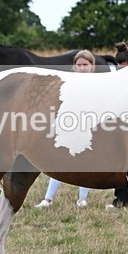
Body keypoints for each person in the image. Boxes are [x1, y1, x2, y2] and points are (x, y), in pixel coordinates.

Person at [35, 50, 95, 208]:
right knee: (60, 163)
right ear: (74, 67)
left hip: (88, 128)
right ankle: (48, 199)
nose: (82, 68)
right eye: (79, 65)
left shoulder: (97, 83)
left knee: (85, 164)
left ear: (92, 66)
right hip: (69, 127)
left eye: (85, 64)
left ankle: (82, 199)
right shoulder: (68, 83)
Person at [106, 41, 128, 210]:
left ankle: (125, 198)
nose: (122, 67)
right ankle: (123, 197)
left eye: (125, 63)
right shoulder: (117, 79)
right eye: (119, 64)